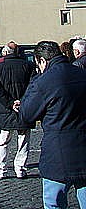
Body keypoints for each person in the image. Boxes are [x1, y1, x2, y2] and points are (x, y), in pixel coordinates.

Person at [19, 40, 86, 209]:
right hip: (83, 148)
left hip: (57, 154)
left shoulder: (43, 81)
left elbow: (27, 115)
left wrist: (34, 82)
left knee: (54, 204)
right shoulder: (82, 74)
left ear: (42, 60)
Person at [0, 42, 33, 179]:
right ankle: (20, 169)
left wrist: (10, 103)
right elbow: (33, 86)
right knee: (23, 140)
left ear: (5, 53)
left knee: (3, 140)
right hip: (23, 107)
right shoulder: (28, 66)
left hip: (6, 109)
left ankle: (1, 170)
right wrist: (21, 101)